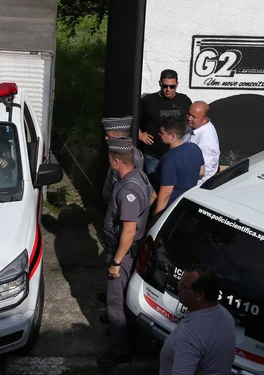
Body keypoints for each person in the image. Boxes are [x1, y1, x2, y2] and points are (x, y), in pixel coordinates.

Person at [98, 137, 155, 368]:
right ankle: (123, 334)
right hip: (131, 249)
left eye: (111, 159)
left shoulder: (128, 189)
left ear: (117, 160)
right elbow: (151, 197)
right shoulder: (140, 176)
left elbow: (129, 230)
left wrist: (116, 262)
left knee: (115, 301)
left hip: (123, 252)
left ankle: (120, 349)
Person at [159, 267, 236, 375]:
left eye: (184, 286)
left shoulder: (192, 333)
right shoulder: (226, 316)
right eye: (180, 282)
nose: (178, 287)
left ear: (200, 295)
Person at [138, 69, 192, 180]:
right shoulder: (148, 101)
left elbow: (190, 120)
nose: (168, 90)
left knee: (174, 183)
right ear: (160, 83)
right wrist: (139, 134)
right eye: (165, 86)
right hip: (153, 154)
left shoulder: (184, 100)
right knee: (154, 184)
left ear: (177, 84)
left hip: (177, 153)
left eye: (172, 87)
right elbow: (134, 119)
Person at [154, 116, 205, 217]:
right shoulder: (194, 147)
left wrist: (156, 216)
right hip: (187, 202)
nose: (159, 135)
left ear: (172, 136)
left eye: (162, 133)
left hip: (171, 205)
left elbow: (166, 193)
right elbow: (201, 172)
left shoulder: (169, 159)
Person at [100, 116, 144, 204]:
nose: (106, 138)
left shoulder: (131, 157)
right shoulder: (123, 153)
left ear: (118, 137)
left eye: (108, 135)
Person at [184, 101, 220, 186]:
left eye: (193, 117)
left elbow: (205, 172)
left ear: (205, 120)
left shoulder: (207, 141)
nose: (189, 118)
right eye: (189, 114)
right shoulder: (197, 126)